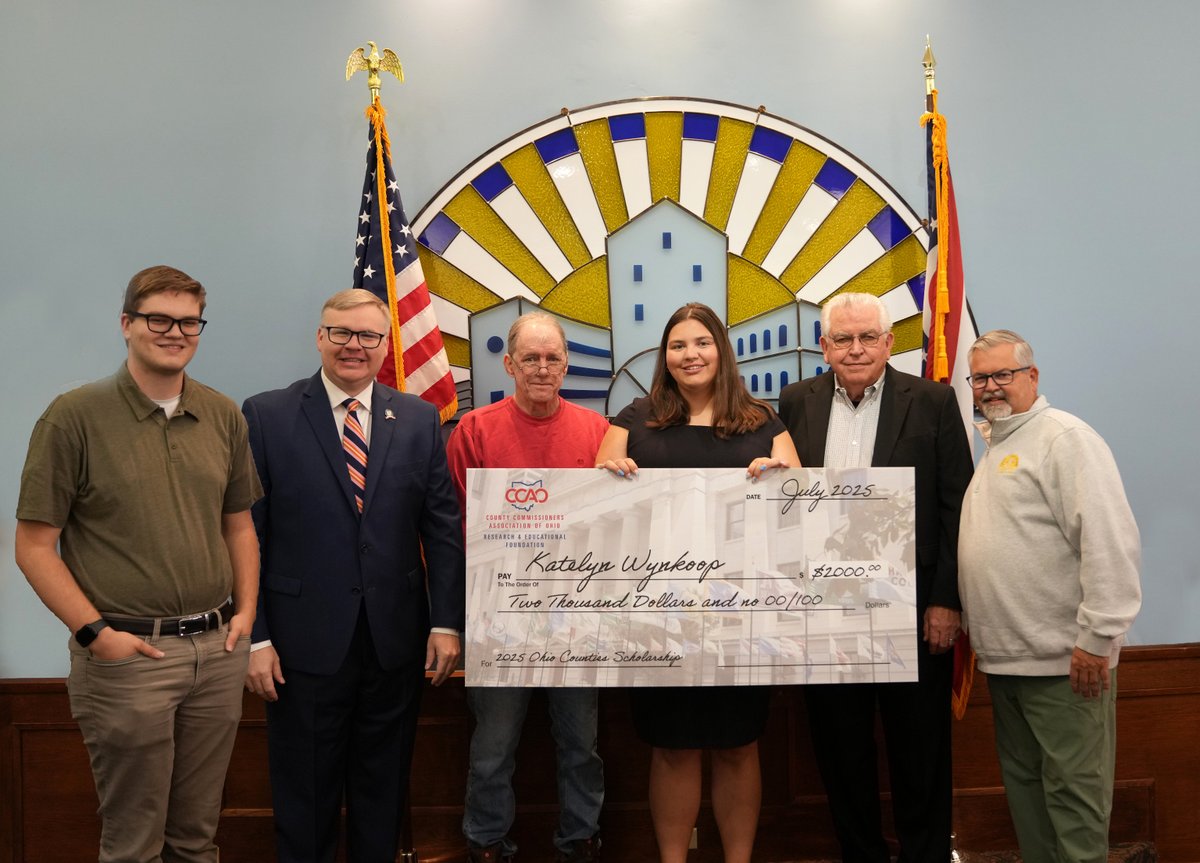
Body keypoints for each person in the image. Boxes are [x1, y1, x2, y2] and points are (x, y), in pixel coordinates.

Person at [14, 265, 261, 863]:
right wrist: (97, 636)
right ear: (126, 324)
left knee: (196, 840)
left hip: (217, 653)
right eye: (159, 320)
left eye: (189, 322)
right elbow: (33, 546)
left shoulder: (223, 414)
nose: (175, 333)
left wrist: (246, 614)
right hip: (129, 659)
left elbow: (238, 525)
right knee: (133, 846)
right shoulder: (74, 416)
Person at [241, 288, 464, 863]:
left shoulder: (417, 418)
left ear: (385, 345)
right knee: (305, 800)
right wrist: (256, 637)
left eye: (368, 336)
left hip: (394, 643)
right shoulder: (266, 415)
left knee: (382, 795)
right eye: (341, 333)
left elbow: (441, 528)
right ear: (320, 337)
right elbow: (246, 535)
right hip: (299, 646)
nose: (353, 346)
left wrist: (446, 623)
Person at [595, 302, 799, 863]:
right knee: (672, 747)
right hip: (657, 616)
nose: (691, 355)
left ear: (721, 351)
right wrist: (609, 478)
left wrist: (780, 480)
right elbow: (596, 504)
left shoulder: (764, 422)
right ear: (665, 355)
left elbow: (804, 506)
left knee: (739, 745)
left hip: (744, 616)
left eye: (702, 343)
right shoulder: (632, 420)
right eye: (678, 345)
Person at [776, 291, 973, 863]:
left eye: (868, 338)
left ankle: (925, 856)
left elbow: (957, 505)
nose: (856, 349)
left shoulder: (933, 401)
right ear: (824, 346)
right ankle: (860, 855)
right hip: (825, 611)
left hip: (914, 608)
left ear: (889, 343)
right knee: (841, 751)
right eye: (843, 338)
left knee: (921, 750)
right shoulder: (796, 401)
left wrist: (946, 601)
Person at [958, 329, 1141, 863]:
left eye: (1003, 374)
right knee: (1028, 798)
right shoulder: (998, 444)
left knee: (1075, 803)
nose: (991, 387)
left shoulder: (1065, 438)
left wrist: (1097, 638)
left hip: (1067, 663)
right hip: (1007, 661)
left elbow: (1108, 539)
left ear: (1032, 376)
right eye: (980, 378)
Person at [447, 312, 608, 863]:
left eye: (552, 358)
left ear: (566, 365)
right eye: (530, 358)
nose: (542, 368)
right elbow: (454, 527)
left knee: (581, 743)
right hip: (497, 616)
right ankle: (486, 843)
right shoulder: (474, 431)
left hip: (576, 617)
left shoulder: (598, 432)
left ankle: (580, 839)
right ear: (509, 364)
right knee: (493, 746)